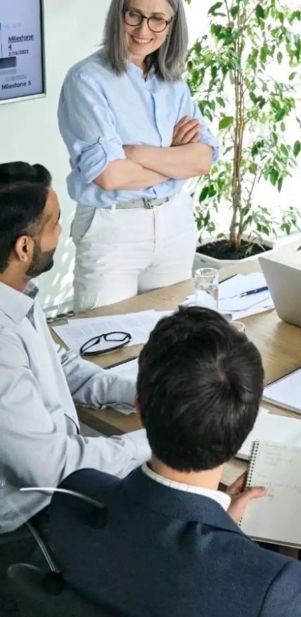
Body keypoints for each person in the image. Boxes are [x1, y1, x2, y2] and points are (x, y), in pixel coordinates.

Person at [44, 307, 301, 617]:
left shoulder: (73, 498)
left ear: (140, 411)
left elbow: (156, 567)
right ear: (245, 427)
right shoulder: (267, 586)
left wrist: (222, 524)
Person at [0, 162, 149, 614]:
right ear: (24, 246)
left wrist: (140, 391)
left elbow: (60, 366)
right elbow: (55, 468)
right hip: (23, 532)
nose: (62, 231)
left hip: (49, 495)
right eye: (56, 222)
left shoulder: (16, 294)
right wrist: (160, 438)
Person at [58, 0, 218, 313]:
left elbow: (203, 159)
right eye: (135, 15)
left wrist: (136, 153)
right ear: (119, 14)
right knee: (106, 345)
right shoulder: (87, 80)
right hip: (113, 227)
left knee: (173, 348)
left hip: (174, 223)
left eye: (158, 19)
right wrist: (175, 160)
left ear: (172, 25)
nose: (145, 29)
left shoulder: (174, 81)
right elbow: (110, 175)